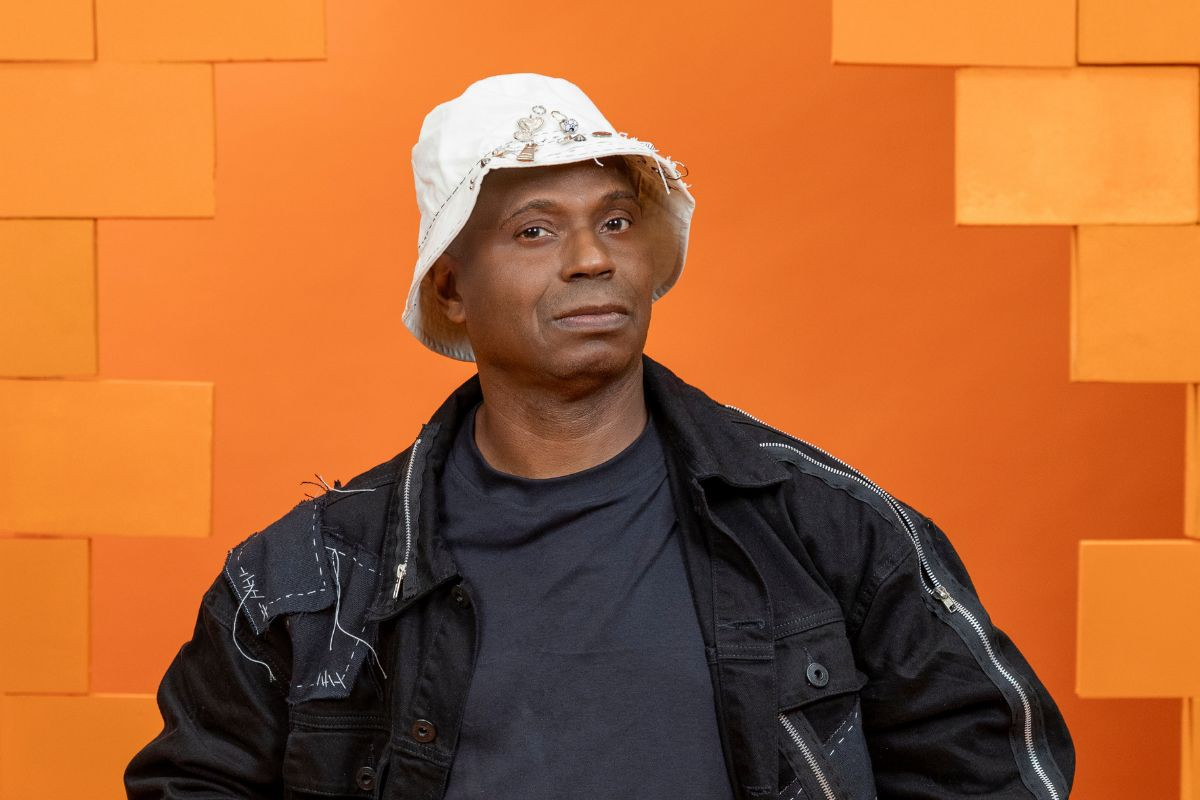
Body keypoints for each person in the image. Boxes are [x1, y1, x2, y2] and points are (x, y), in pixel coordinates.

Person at [125, 73, 1075, 800]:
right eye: (534, 231)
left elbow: (993, 771)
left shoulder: (826, 531)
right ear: (451, 287)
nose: (591, 259)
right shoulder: (309, 579)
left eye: (615, 221)